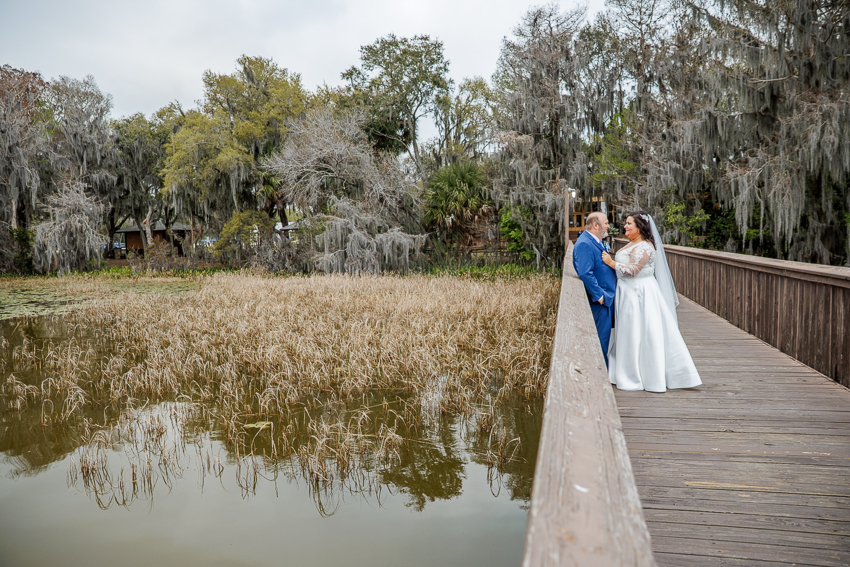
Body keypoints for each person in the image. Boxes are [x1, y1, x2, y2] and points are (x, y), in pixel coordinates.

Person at [601, 211, 702, 392]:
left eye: (629, 223)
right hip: (628, 292)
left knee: (639, 331)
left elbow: (633, 270)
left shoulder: (645, 247)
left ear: (640, 228)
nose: (625, 226)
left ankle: (637, 376)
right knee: (630, 331)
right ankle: (625, 370)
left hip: (639, 293)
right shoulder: (633, 243)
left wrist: (611, 263)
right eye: (626, 223)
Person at [573, 212, 616, 366]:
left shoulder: (594, 241)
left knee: (604, 342)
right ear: (596, 225)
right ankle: (601, 376)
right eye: (606, 223)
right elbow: (585, 273)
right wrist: (599, 296)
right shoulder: (585, 244)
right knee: (600, 344)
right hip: (599, 303)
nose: (608, 226)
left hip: (606, 299)